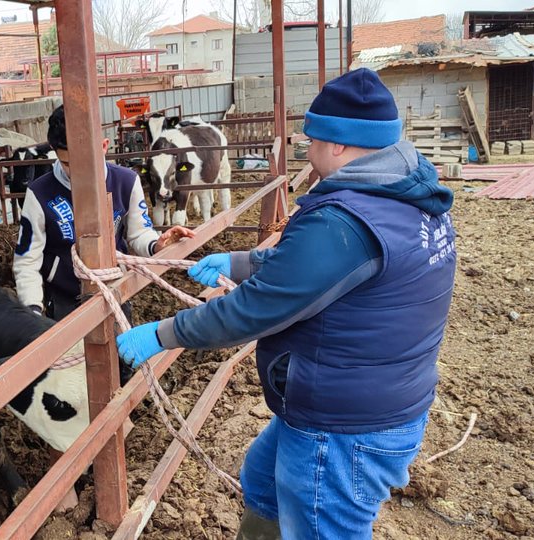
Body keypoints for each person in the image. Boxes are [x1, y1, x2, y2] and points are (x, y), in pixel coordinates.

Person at [115, 68, 458, 539]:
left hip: (342, 425)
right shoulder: (404, 195)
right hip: (371, 396)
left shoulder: (346, 221)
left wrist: (161, 334)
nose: (305, 146)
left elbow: (251, 311)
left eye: (311, 137)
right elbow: (312, 266)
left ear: (337, 144)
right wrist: (238, 262)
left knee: (319, 527)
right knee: (262, 479)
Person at [13, 105, 196, 320]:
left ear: (103, 146)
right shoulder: (39, 192)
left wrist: (156, 244)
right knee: (73, 354)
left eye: (85, 161)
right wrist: (33, 309)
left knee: (121, 350)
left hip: (114, 290)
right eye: (66, 163)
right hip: (64, 297)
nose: (76, 171)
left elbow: (138, 233)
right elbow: (27, 259)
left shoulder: (126, 181)